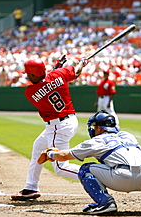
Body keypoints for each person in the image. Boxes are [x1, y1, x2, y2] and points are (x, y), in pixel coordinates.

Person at [37, 111, 141, 214]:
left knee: (86, 169)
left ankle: (105, 203)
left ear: (100, 128)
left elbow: (64, 156)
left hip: (122, 178)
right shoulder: (128, 135)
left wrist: (50, 153)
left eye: (95, 127)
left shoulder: (96, 141)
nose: (93, 129)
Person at [11, 57, 89, 201]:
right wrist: (81, 63)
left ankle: (94, 176)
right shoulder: (59, 73)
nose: (27, 76)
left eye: (28, 74)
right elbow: (75, 73)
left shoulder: (30, 92)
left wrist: (55, 70)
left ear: (34, 74)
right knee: (38, 147)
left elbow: (44, 84)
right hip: (69, 121)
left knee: (60, 167)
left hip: (57, 127)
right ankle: (31, 188)